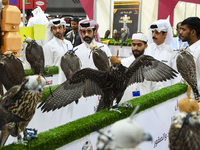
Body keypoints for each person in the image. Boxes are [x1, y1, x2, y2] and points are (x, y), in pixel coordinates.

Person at [119, 33, 163, 102]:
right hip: (125, 103)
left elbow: (158, 87)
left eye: (139, 45)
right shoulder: (123, 63)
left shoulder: (151, 64)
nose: (136, 48)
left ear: (146, 46)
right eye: (134, 45)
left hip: (145, 105)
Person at [144, 19, 179, 87]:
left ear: (165, 34)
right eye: (152, 32)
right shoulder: (146, 50)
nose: (153, 35)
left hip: (165, 92)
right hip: (147, 91)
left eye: (157, 32)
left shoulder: (172, 52)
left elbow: (176, 77)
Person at [43, 18, 73, 84]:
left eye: (60, 27)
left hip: (70, 82)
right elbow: (48, 68)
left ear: (64, 29)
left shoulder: (69, 43)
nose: (57, 30)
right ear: (51, 30)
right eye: (54, 28)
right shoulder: (48, 46)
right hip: (57, 82)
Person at [179, 17, 200, 92]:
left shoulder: (199, 50)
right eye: (180, 29)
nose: (180, 32)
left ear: (193, 32)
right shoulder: (187, 49)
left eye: (183, 29)